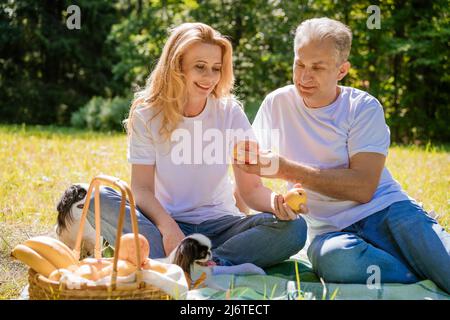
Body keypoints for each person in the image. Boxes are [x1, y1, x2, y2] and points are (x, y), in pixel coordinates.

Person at [236, 17, 450, 292]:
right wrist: (265, 204)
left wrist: (284, 169)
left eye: (317, 68)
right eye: (299, 64)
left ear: (341, 70)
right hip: (331, 233)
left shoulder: (362, 108)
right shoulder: (277, 104)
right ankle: (419, 275)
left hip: (387, 211)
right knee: (335, 261)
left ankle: (424, 260)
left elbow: (362, 188)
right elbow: (246, 168)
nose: (304, 77)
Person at [86, 22, 307, 268]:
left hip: (221, 226)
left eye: (216, 69)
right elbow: (142, 189)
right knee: (95, 197)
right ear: (176, 66)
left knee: (295, 228)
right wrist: (169, 229)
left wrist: (277, 203)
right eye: (200, 67)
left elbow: (251, 189)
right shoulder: (146, 115)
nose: (209, 78)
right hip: (165, 225)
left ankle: (205, 263)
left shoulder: (229, 112)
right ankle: (182, 260)